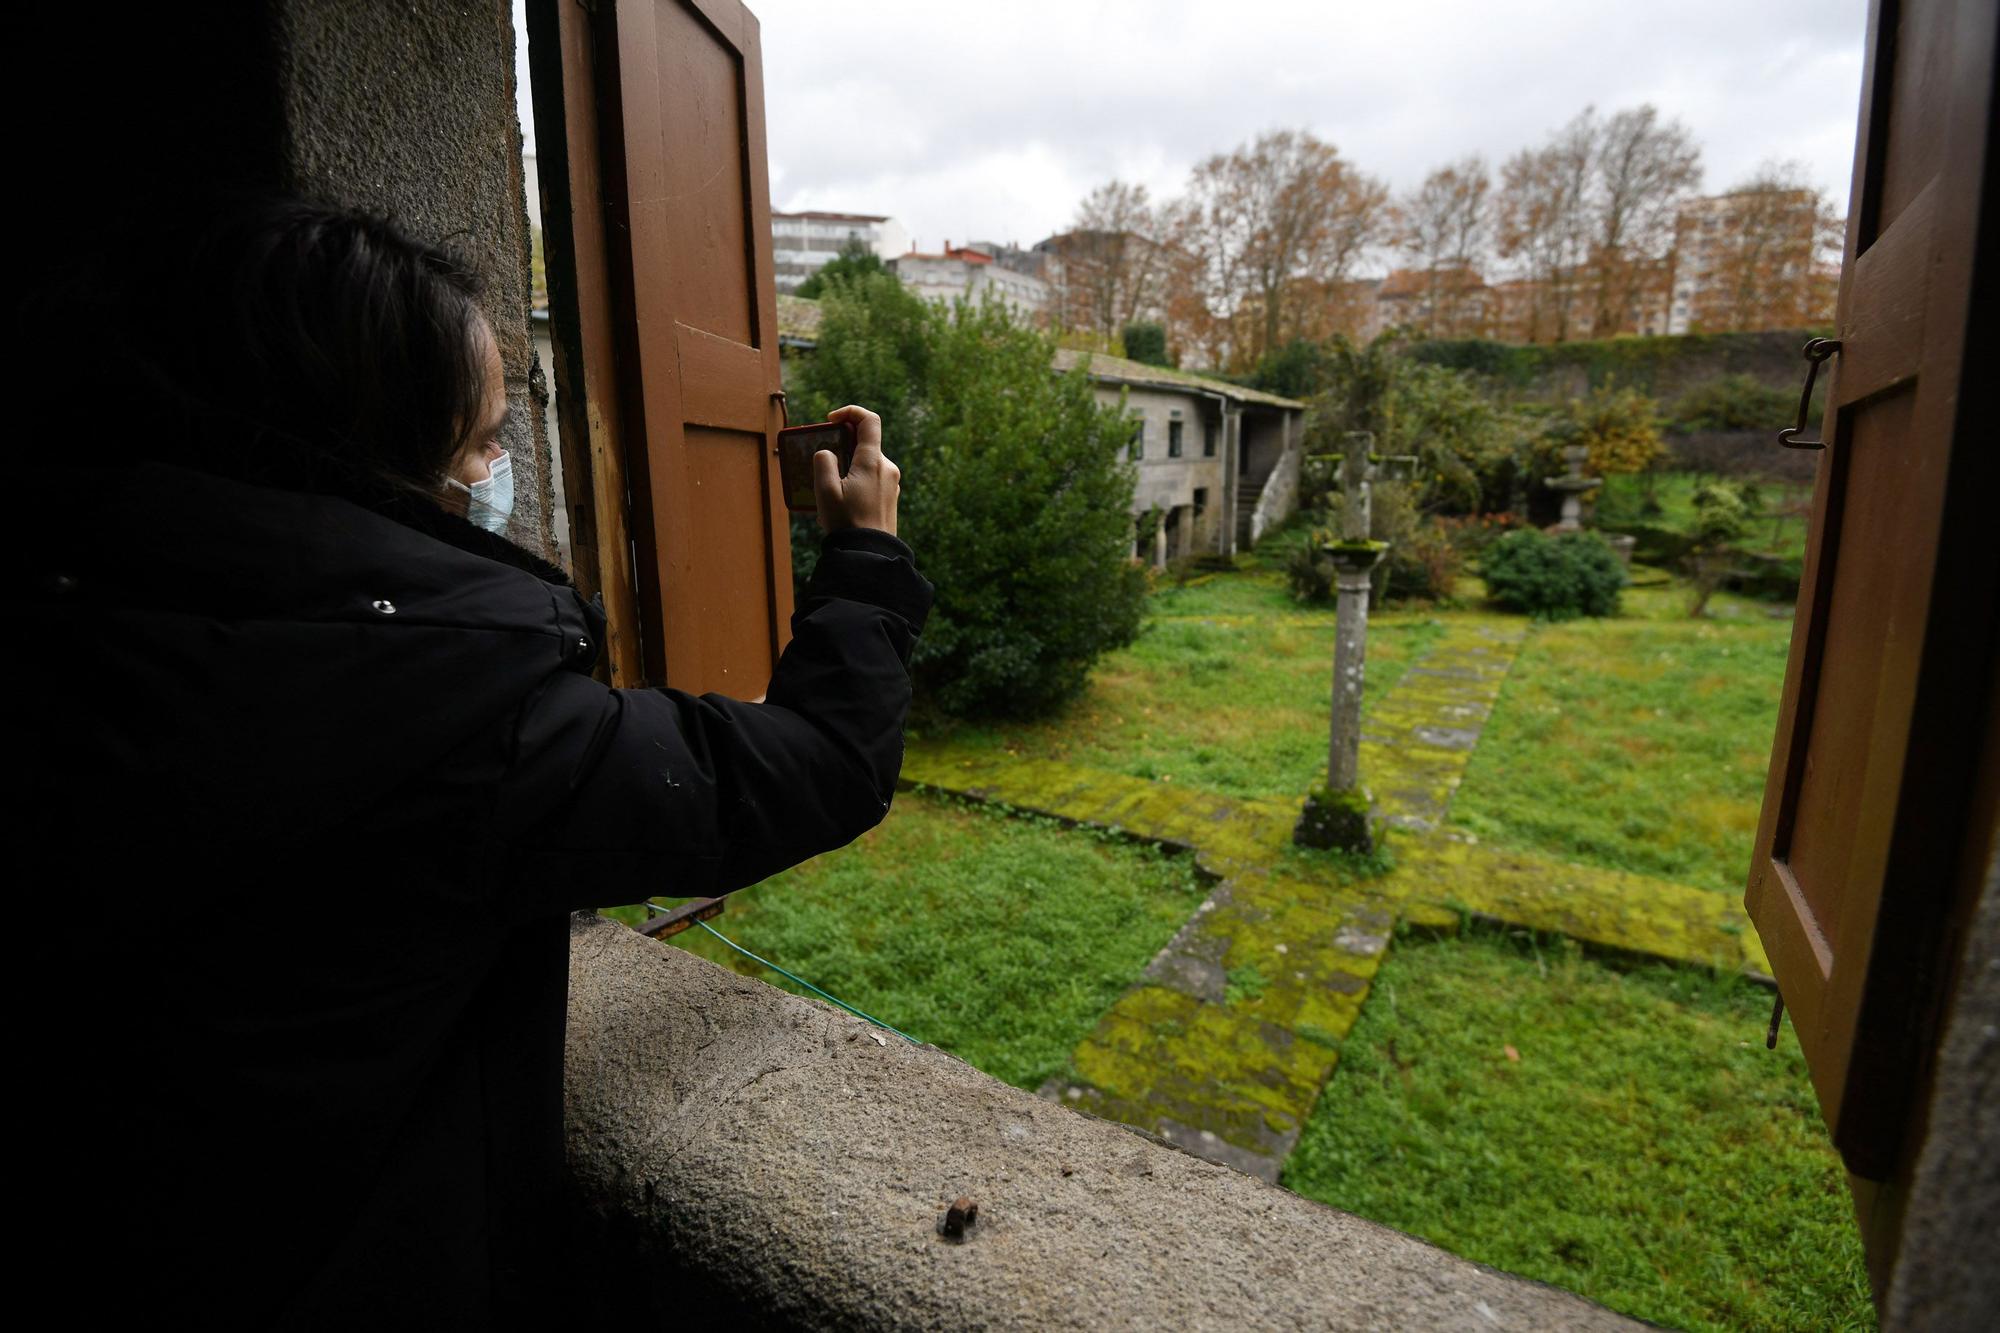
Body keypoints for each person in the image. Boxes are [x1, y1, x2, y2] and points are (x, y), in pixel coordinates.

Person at [25, 198, 931, 1324]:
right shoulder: (455, 716)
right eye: (481, 441)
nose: (496, 468)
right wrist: (867, 556)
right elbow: (819, 765)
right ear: (375, 457)